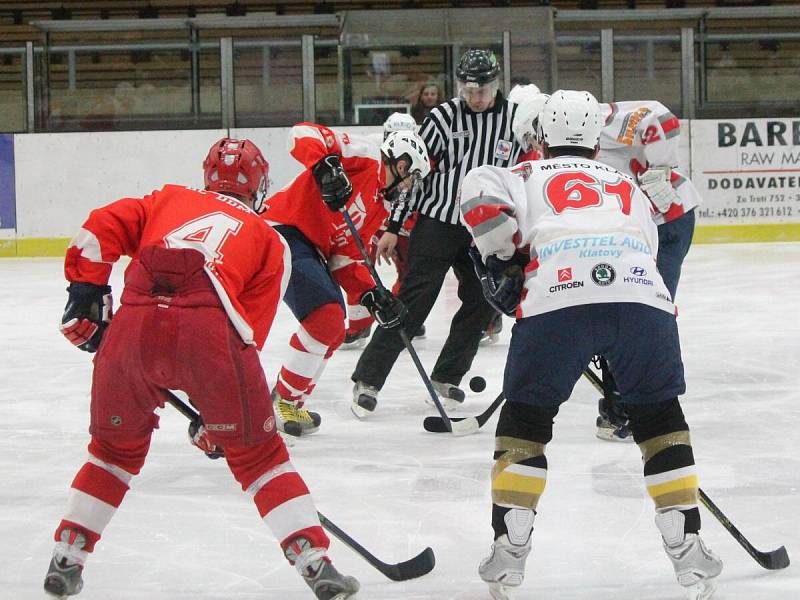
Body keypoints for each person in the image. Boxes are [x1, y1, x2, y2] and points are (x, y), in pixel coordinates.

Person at [44, 137, 360, 599]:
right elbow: (243, 332)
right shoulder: (271, 240)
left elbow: (99, 229)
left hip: (131, 323)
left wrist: (86, 295)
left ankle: (67, 557)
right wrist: (217, 414)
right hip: (209, 337)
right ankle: (314, 561)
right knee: (260, 457)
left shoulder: (167, 198)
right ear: (259, 185)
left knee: (112, 452)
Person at [460, 90, 722, 600]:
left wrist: (502, 257)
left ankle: (509, 550)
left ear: (544, 136)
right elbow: (646, 244)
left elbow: (477, 193)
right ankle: (687, 546)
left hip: (556, 301)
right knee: (660, 420)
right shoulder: (626, 181)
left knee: (526, 423)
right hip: (642, 298)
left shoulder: (523, 173)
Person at [513, 94, 703, 441]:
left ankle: (630, 410)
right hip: (628, 232)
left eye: (532, 137)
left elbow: (660, 117)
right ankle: (621, 408)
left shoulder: (598, 120)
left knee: (638, 309)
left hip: (666, 220)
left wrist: (659, 171)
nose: (532, 147)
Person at [349, 48, 522, 417]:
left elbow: (523, 176)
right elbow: (413, 176)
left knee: (481, 301)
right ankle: (368, 379)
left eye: (482, 90)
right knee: (414, 300)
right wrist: (394, 226)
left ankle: (447, 376)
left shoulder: (514, 121)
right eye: (468, 90)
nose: (475, 98)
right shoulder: (443, 117)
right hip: (438, 221)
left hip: (484, 227)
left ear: (496, 85)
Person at [262, 123, 430, 430]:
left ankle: (289, 400)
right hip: (283, 229)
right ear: (402, 164)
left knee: (333, 327)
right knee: (325, 318)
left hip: (310, 248)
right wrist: (324, 166)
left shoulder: (380, 207)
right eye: (412, 178)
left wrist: (372, 294)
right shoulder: (366, 156)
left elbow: (345, 259)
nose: (409, 187)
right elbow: (302, 134)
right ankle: (283, 402)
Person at [342, 111, 422, 349]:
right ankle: (359, 323)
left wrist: (402, 228)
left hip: (403, 224)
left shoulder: (421, 157)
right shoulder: (370, 148)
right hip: (376, 220)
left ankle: (405, 314)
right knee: (357, 262)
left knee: (412, 272)